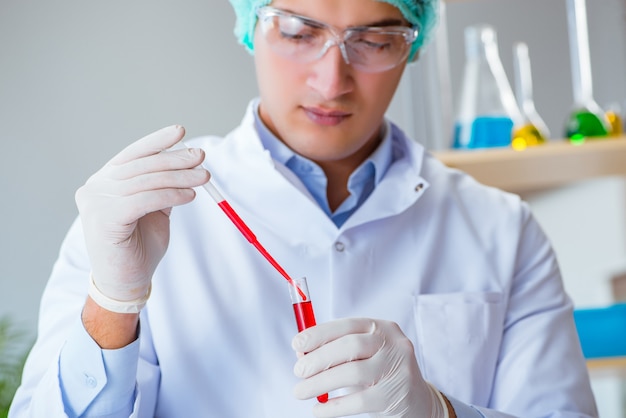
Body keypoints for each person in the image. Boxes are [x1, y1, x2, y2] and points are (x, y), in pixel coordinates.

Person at [10, 0, 598, 417]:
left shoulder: (501, 227)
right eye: (297, 30)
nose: (331, 78)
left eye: (373, 39)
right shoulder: (145, 215)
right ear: (250, 27)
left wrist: (440, 413)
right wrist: (113, 306)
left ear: (411, 43)